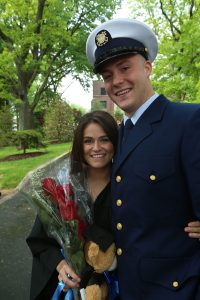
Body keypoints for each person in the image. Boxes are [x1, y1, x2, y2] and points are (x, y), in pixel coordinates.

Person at [86, 18, 200, 299]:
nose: (117, 81)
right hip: (131, 286)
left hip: (178, 289)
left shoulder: (187, 120)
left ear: (147, 67)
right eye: (108, 75)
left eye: (125, 68)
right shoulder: (120, 133)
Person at [26, 110, 118, 300]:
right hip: (71, 286)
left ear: (116, 142)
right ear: (79, 145)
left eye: (105, 139)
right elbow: (40, 241)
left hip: (115, 286)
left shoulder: (126, 188)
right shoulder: (64, 189)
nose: (97, 147)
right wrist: (60, 265)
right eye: (88, 141)